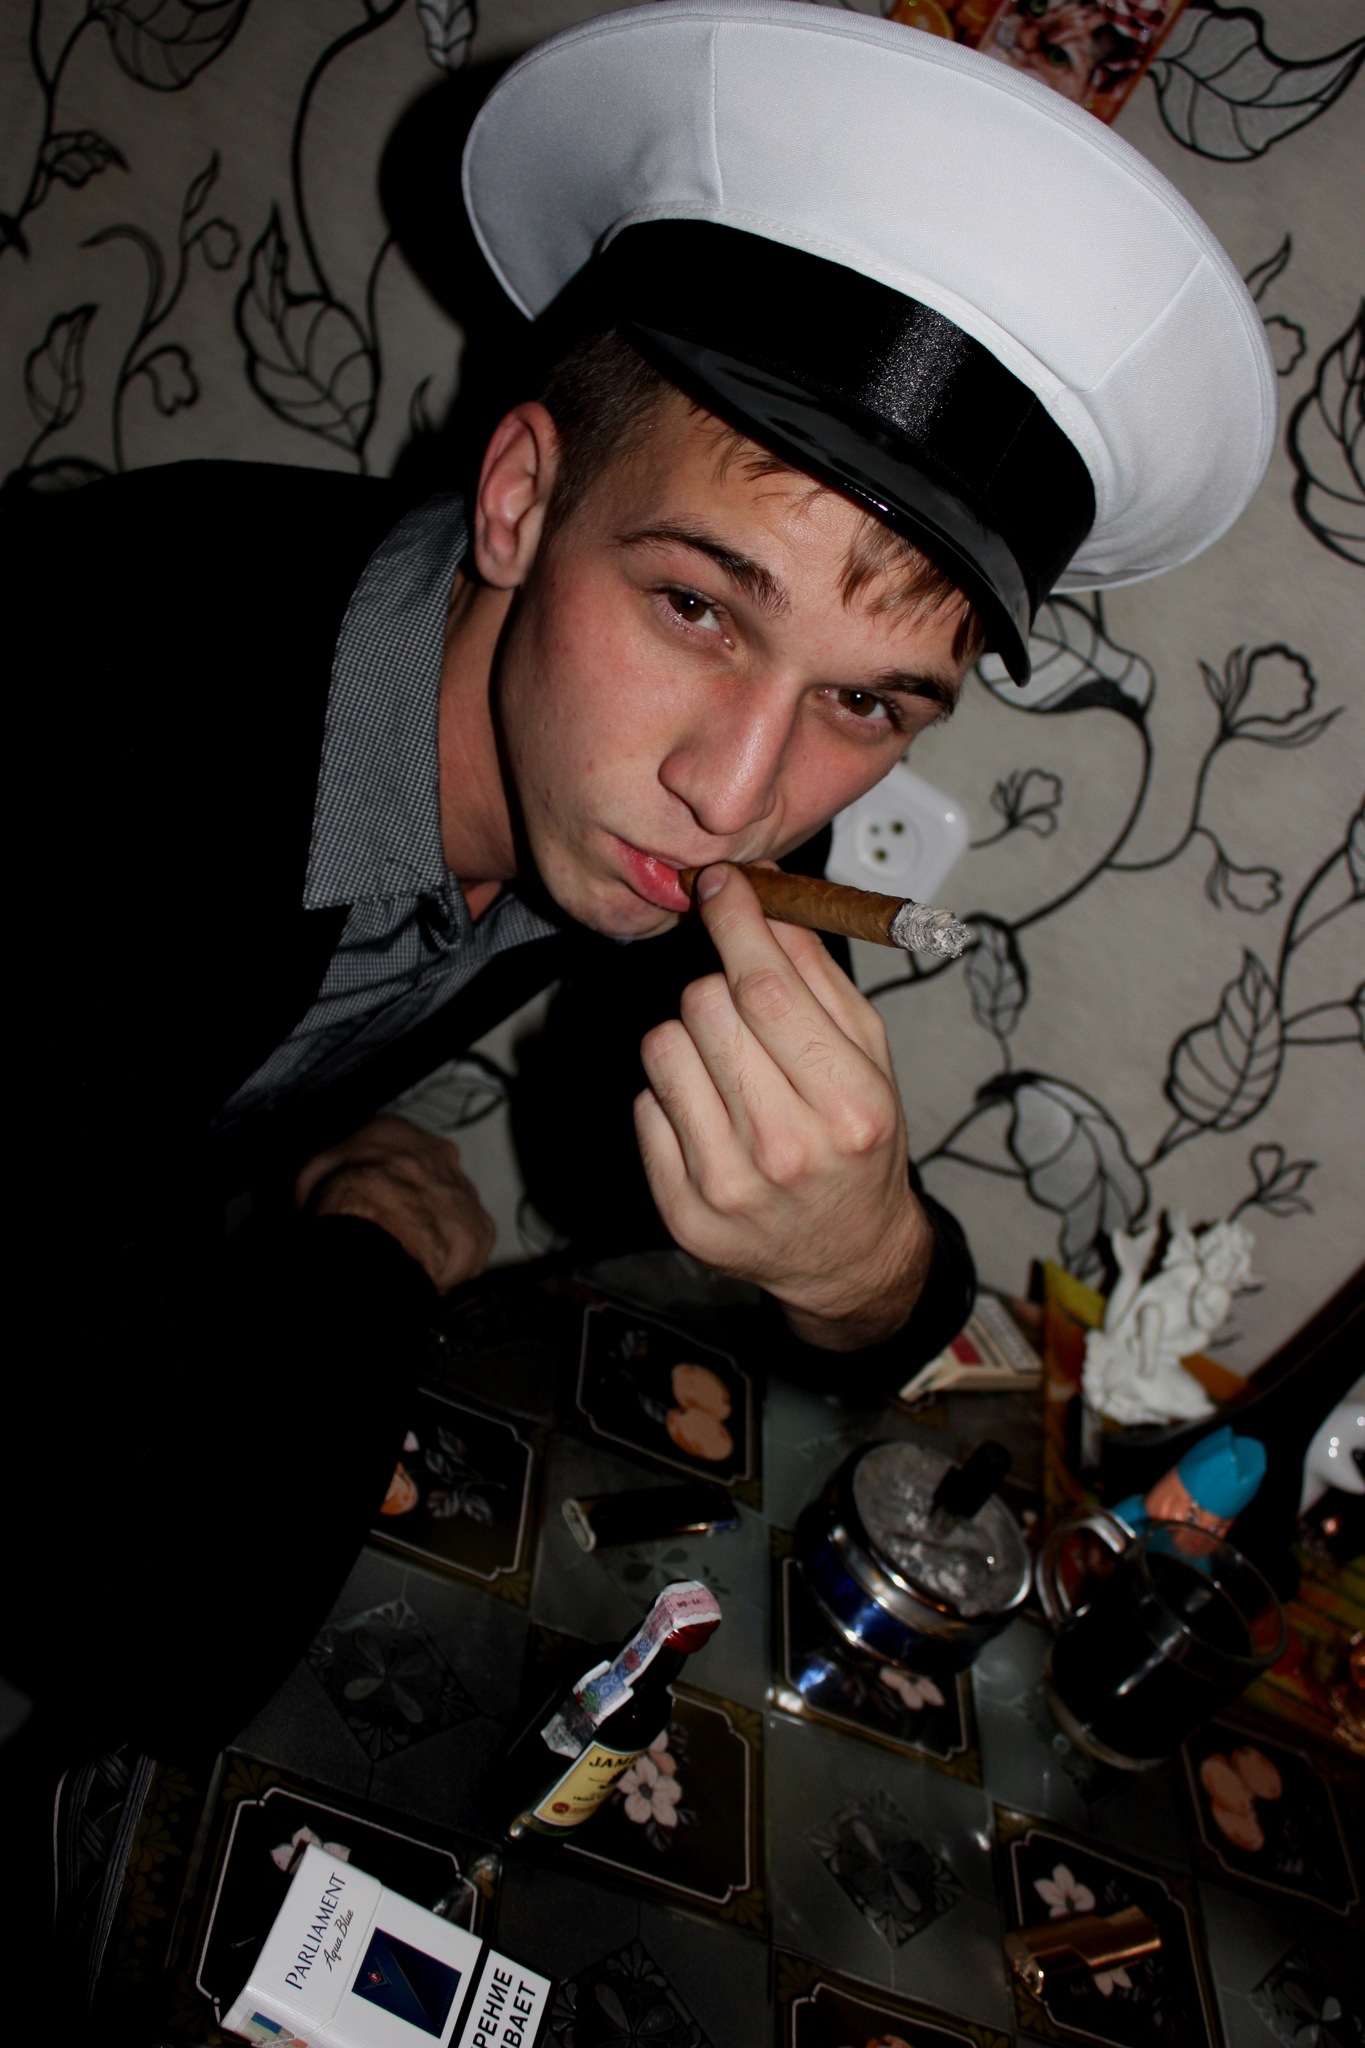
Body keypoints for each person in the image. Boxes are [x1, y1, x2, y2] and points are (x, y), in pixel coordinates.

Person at [4, 0, 1273, 1976]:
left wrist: (860, 1255)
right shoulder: (94, 735)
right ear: (520, 497)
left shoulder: (621, 781)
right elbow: (133, 1626)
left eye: (868, 703)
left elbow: (682, 1195)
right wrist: (373, 1250)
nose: (740, 789)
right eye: (695, 604)